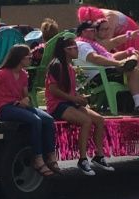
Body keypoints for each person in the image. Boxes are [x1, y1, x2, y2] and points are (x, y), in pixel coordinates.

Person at [0, 44, 59, 177]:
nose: (30, 59)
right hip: (5, 107)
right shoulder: (3, 74)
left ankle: (51, 156)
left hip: (19, 106)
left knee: (48, 119)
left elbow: (24, 95)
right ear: (19, 59)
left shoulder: (23, 74)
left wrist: (25, 100)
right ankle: (38, 158)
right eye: (28, 57)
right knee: (35, 120)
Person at [45, 36, 112, 176]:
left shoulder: (70, 67)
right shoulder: (56, 65)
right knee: (86, 121)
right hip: (57, 105)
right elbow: (53, 90)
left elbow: (70, 90)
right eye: (74, 48)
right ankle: (82, 159)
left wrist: (80, 98)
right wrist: (73, 98)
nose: (77, 50)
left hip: (69, 103)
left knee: (99, 120)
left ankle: (99, 156)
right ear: (66, 50)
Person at [75, 21, 139, 116]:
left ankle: (136, 103)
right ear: (83, 32)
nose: (94, 32)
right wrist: (118, 63)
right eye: (92, 30)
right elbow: (95, 58)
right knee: (132, 71)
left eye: (95, 30)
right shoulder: (82, 44)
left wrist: (127, 52)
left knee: (131, 67)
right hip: (98, 77)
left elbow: (108, 57)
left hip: (104, 73)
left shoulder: (91, 44)